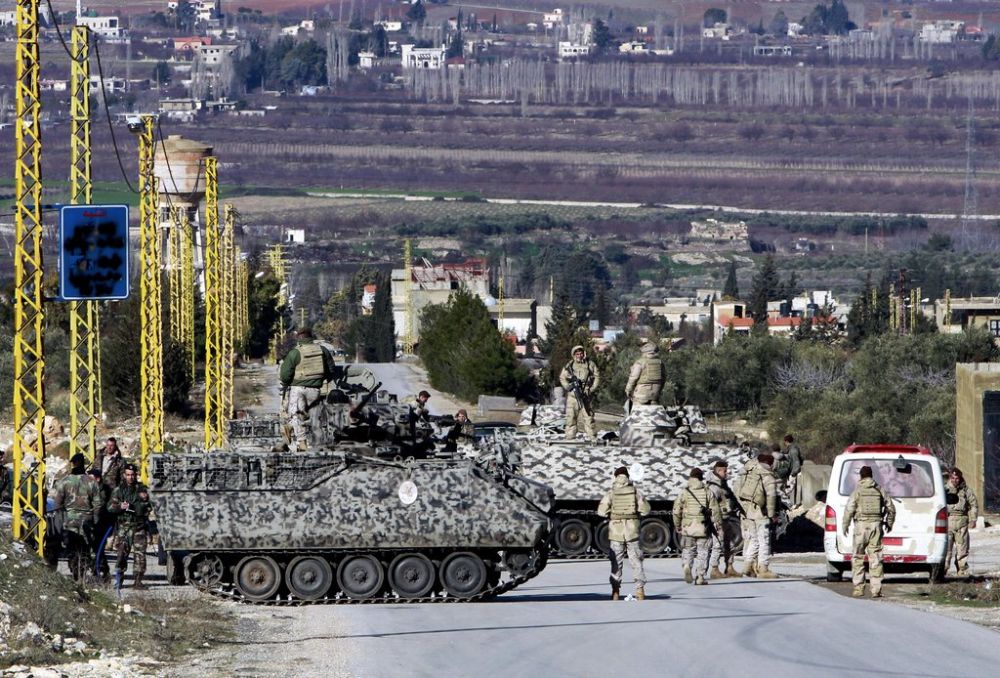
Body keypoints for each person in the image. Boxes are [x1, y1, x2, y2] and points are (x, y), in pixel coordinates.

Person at [597, 466, 651, 600]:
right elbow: (646, 510)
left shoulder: (611, 493)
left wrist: (612, 513)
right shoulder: (635, 492)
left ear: (616, 477)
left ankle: (615, 592)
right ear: (628, 477)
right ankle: (640, 591)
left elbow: (601, 512)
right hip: (632, 531)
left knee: (616, 562)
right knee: (636, 561)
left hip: (616, 531)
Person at [279, 327, 337, 450]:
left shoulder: (295, 352)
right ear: (311, 337)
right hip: (315, 389)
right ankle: (314, 442)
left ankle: (301, 442)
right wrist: (322, 379)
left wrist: (287, 383)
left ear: (298, 338)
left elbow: (284, 374)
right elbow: (331, 369)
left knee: (296, 415)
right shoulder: (322, 350)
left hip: (298, 389)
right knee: (313, 416)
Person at [843, 465, 895, 598]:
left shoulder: (858, 491)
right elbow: (891, 508)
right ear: (872, 476)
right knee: (876, 558)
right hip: (876, 527)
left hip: (861, 527)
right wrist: (889, 523)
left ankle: (859, 588)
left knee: (858, 557)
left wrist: (845, 525)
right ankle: (876, 589)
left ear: (860, 476)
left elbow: (849, 509)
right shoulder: (879, 490)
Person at [52, 453, 101, 579]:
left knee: (72, 547)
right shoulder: (91, 482)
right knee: (85, 547)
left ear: (72, 464)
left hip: (70, 520)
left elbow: (57, 504)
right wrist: (95, 520)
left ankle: (75, 572)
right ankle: (83, 573)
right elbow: (97, 503)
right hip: (87, 519)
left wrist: (62, 518)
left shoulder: (64, 482)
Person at [673, 468, 722, 585]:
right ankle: (700, 577)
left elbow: (676, 510)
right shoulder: (707, 491)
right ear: (701, 478)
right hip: (703, 527)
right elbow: (715, 510)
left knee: (688, 550)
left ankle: (687, 565)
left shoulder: (684, 492)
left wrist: (677, 524)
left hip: (688, 527)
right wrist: (718, 524)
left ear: (691, 477)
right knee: (703, 552)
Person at [108, 464, 152, 589]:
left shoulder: (142, 490)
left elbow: (148, 506)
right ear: (124, 475)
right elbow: (110, 507)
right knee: (121, 553)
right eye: (128, 475)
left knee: (140, 555)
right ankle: (119, 579)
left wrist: (136, 507)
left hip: (139, 527)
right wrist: (120, 506)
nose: (130, 477)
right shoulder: (119, 490)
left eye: (132, 475)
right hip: (124, 527)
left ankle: (138, 581)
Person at [737, 451, 778, 579]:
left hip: (748, 511)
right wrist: (772, 514)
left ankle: (747, 566)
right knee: (764, 540)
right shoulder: (768, 476)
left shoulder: (750, 472)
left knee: (753, 540)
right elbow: (771, 497)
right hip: (761, 512)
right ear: (770, 464)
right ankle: (763, 568)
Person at [705, 460, 743, 579]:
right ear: (718, 471)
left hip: (726, 518)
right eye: (725, 471)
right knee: (718, 544)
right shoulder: (714, 487)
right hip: (718, 519)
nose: (727, 473)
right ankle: (714, 569)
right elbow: (711, 505)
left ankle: (729, 567)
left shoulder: (722, 484)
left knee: (730, 544)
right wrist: (716, 521)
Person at [559, 345, 600, 441]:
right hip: (573, 397)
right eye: (577, 354)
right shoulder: (570, 365)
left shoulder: (590, 364)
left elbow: (597, 377)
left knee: (589, 418)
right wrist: (568, 387)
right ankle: (570, 437)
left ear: (584, 353)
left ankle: (592, 437)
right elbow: (562, 377)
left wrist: (592, 389)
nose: (579, 355)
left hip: (585, 396)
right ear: (574, 355)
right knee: (570, 419)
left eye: (581, 353)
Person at [945, 467, 979, 578]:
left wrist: (973, 519)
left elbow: (973, 504)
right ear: (950, 478)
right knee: (946, 550)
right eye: (953, 478)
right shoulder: (944, 489)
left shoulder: (965, 490)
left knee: (962, 549)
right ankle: (942, 570)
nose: (955, 480)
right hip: (947, 522)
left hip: (962, 523)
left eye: (957, 478)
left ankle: (962, 569)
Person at [624, 339, 665, 407]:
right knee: (653, 414)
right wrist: (659, 390)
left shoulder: (640, 362)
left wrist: (628, 390)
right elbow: (664, 378)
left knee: (638, 414)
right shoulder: (660, 363)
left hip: (641, 393)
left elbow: (633, 378)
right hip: (655, 394)